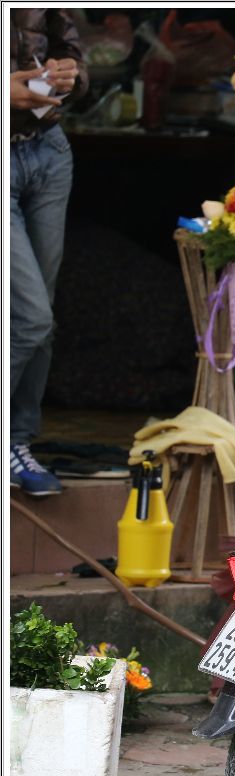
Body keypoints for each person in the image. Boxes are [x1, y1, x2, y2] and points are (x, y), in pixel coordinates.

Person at [9, 8, 88, 496]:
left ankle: (16, 443)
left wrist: (70, 73)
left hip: (48, 149)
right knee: (31, 317)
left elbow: (71, 50)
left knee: (40, 322)